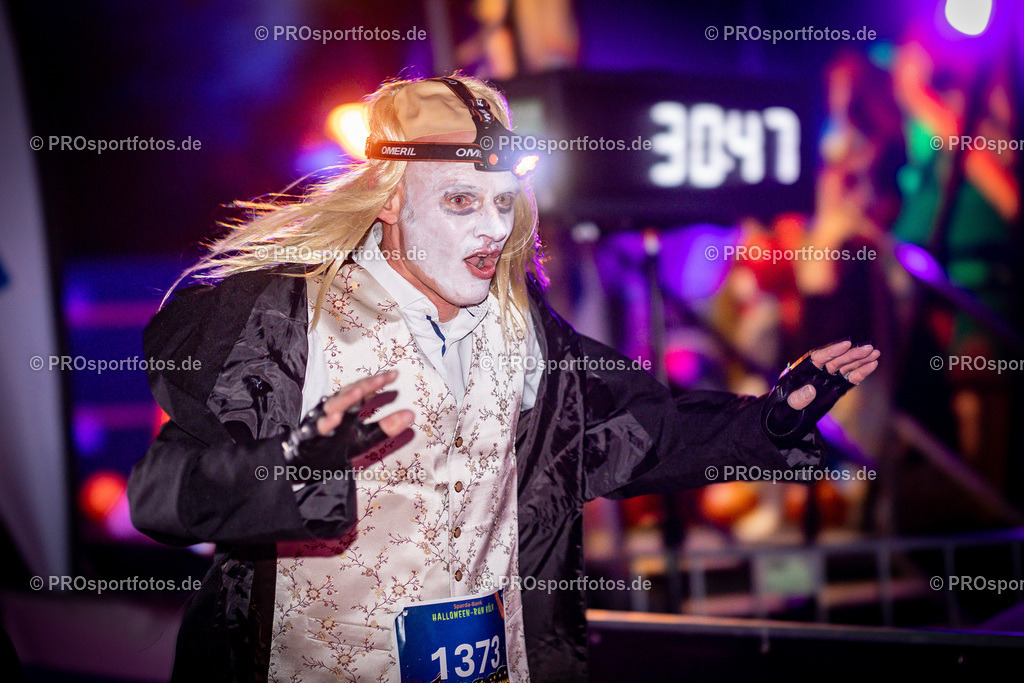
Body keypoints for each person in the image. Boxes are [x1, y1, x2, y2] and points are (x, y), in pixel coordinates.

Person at [128, 75, 880, 682]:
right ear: (390, 201)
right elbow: (161, 496)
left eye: (501, 201)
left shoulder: (523, 331)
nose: (492, 228)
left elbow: (635, 435)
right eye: (460, 201)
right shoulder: (288, 322)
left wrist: (768, 421)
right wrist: (293, 466)